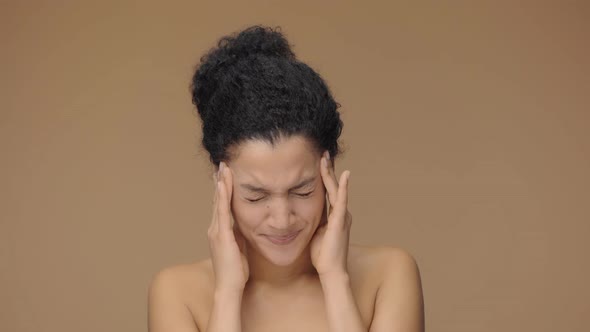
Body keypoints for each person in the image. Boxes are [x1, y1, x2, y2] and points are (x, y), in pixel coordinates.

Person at [148, 25, 424, 332]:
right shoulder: (177, 293)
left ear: (327, 173)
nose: (281, 219)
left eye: (302, 191)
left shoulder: (388, 275)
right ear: (221, 184)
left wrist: (335, 279)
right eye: (255, 196)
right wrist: (227, 293)